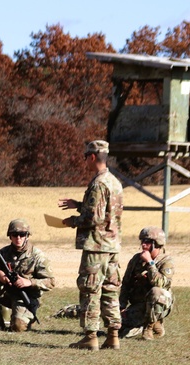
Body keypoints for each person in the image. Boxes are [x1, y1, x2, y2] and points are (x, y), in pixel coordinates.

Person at [58, 139, 124, 351]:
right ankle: (113, 335)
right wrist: (79, 205)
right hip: (112, 245)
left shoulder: (98, 184)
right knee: (110, 290)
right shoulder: (114, 182)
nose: (84, 161)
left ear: (93, 157)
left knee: (90, 289)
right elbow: (107, 212)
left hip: (96, 246)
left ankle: (90, 336)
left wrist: (72, 221)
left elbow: (93, 219)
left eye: (85, 157)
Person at [0, 219, 55, 332]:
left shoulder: (37, 256)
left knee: (18, 327)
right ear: (10, 236)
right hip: (6, 292)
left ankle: (24, 318)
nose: (18, 238)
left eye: (22, 234)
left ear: (27, 236)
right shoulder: (3, 253)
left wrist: (29, 282)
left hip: (26, 297)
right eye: (14, 234)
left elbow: (51, 282)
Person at [120, 226, 174, 340]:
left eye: (148, 242)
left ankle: (149, 327)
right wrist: (122, 306)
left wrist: (150, 263)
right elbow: (126, 283)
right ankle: (151, 323)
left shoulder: (166, 261)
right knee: (120, 328)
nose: (144, 245)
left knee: (156, 291)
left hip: (161, 304)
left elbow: (160, 284)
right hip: (140, 305)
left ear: (157, 244)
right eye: (142, 241)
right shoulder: (136, 260)